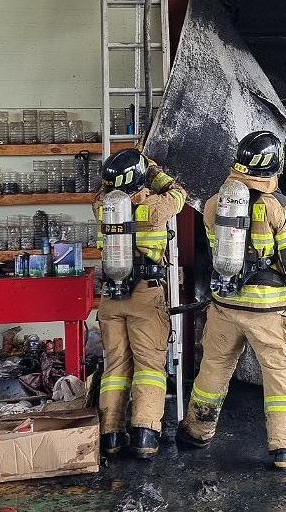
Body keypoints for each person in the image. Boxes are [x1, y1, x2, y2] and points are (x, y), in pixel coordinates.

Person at [176, 131, 286, 471]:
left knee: (214, 367)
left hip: (225, 306)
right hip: (269, 311)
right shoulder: (279, 207)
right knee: (281, 376)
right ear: (274, 167)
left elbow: (222, 256)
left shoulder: (214, 203)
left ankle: (196, 431)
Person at [95, 149, 187, 459]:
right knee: (149, 367)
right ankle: (145, 435)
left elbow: (103, 191)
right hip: (145, 297)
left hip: (110, 298)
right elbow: (179, 192)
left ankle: (111, 435)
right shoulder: (156, 207)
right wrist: (154, 172)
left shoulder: (101, 208)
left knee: (116, 366)